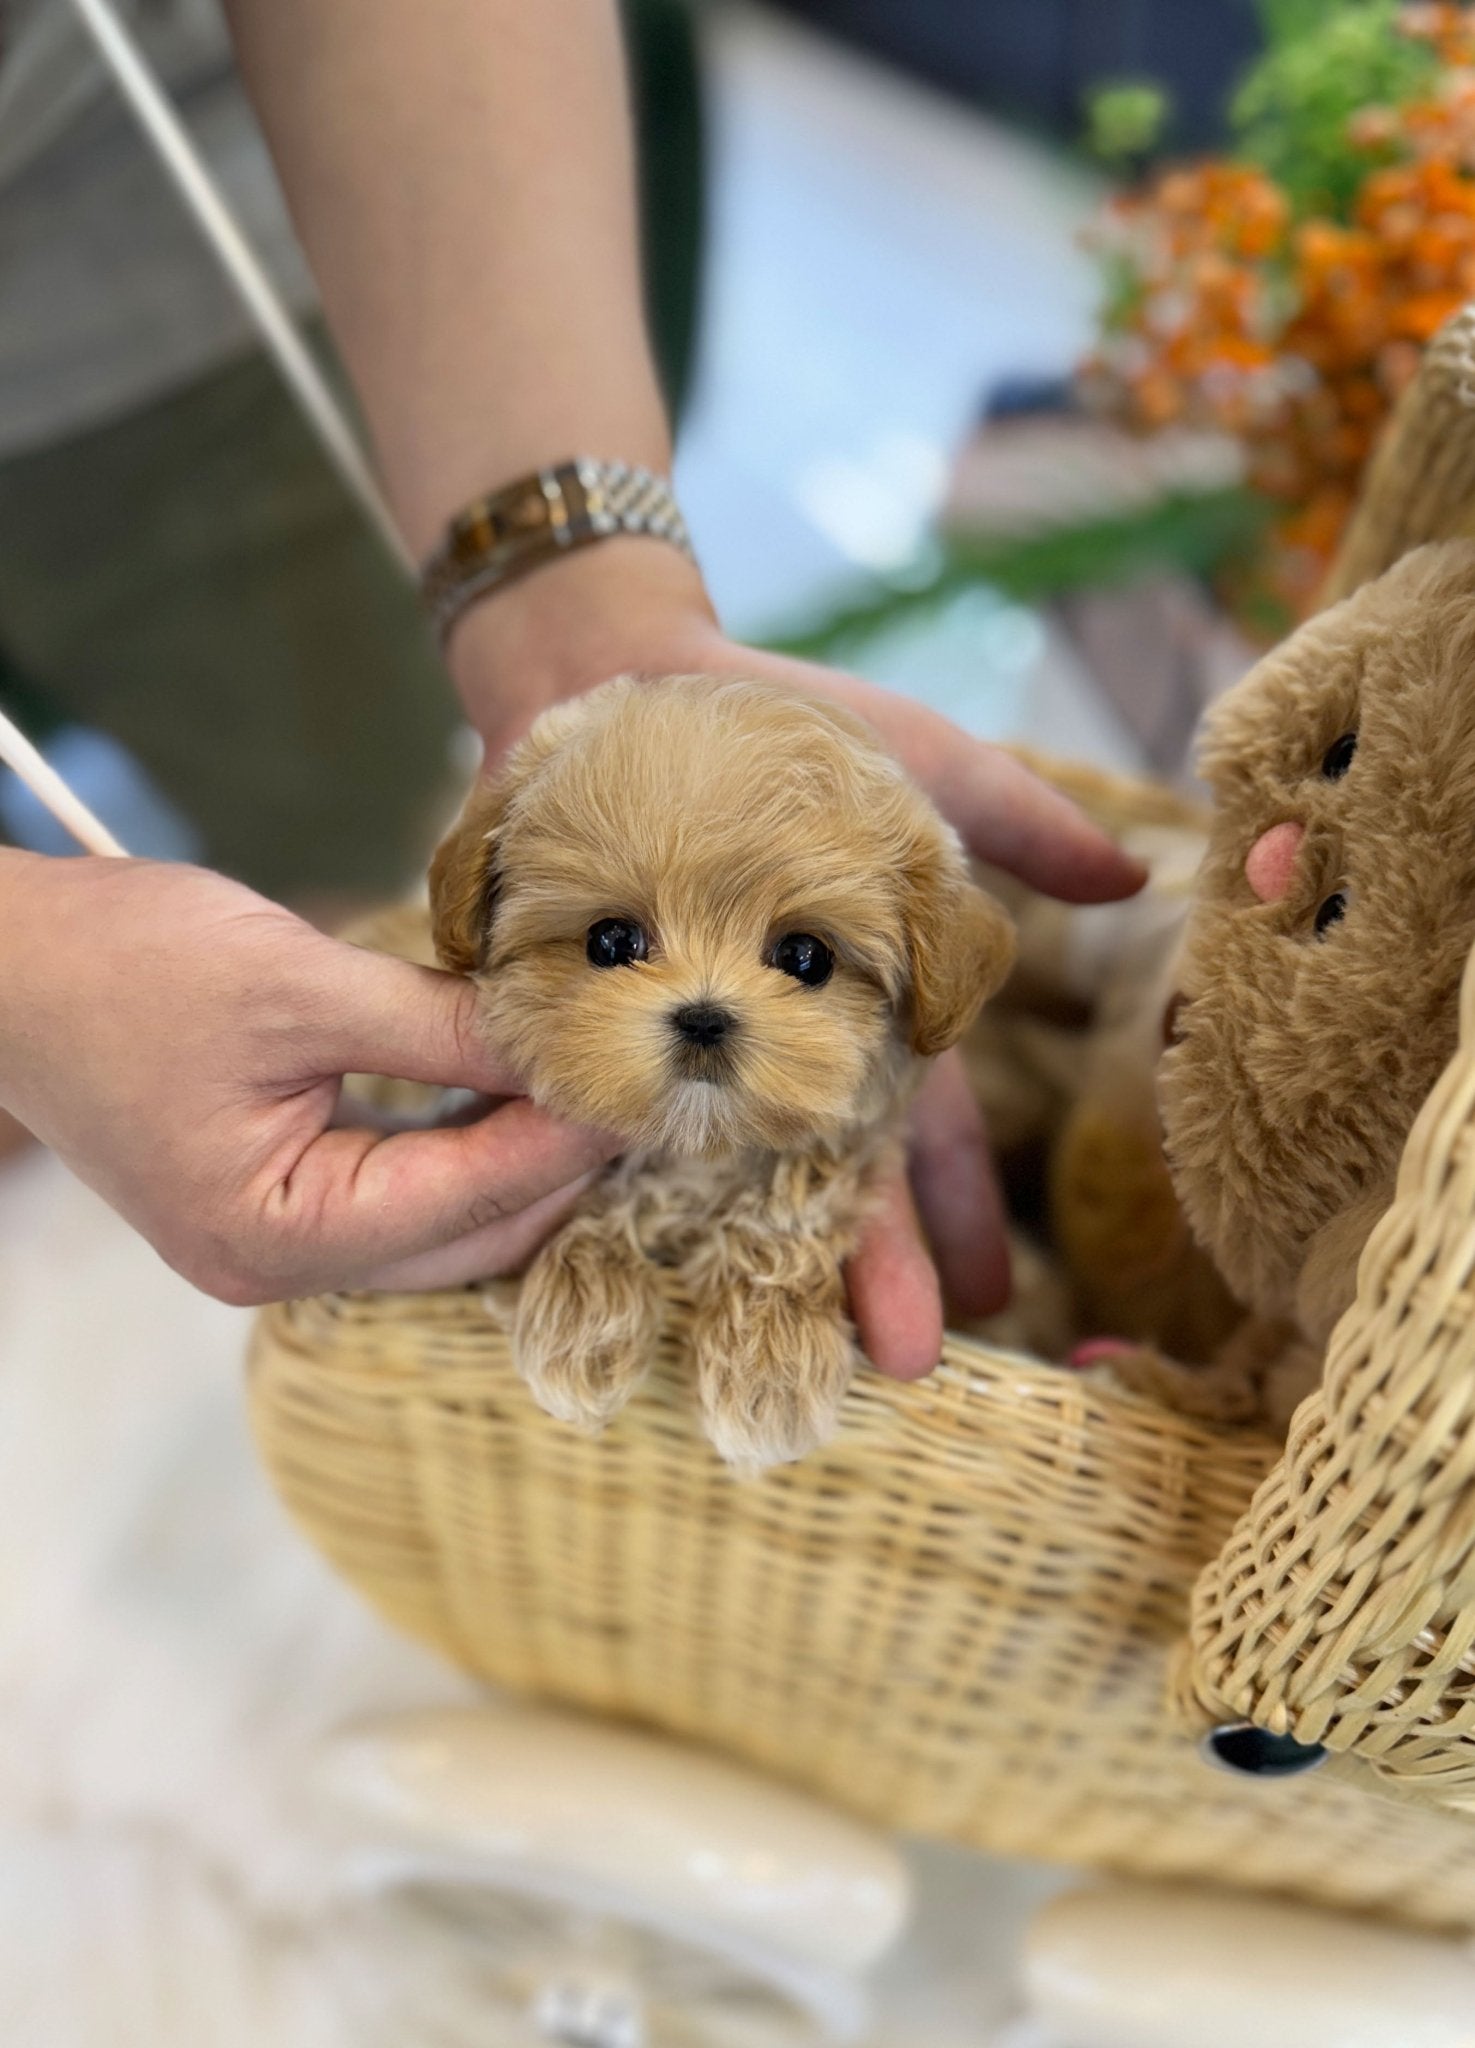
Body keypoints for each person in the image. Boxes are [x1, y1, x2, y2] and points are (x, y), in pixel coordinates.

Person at [0, 0, 1143, 1376]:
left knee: (330, 778)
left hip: (150, 247)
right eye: (614, 945)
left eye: (797, 957)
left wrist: (573, 599)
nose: (701, 1000)